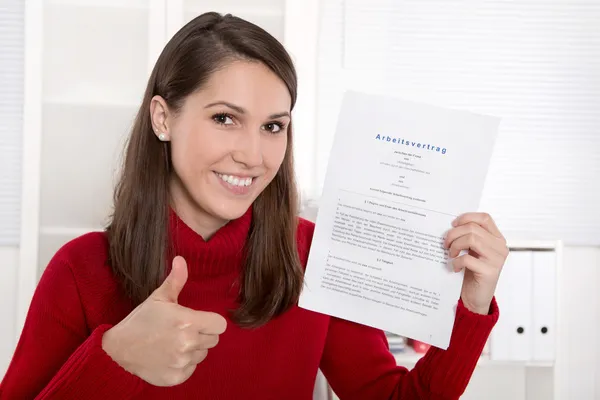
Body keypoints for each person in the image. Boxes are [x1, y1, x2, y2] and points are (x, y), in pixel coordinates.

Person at [0, 12, 508, 400]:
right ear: (163, 118)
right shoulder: (81, 269)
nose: (253, 154)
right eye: (224, 118)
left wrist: (472, 304)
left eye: (273, 126)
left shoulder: (314, 254)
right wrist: (114, 358)